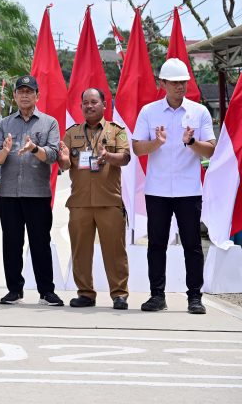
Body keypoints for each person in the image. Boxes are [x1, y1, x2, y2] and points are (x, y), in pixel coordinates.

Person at [132, 58, 216, 314]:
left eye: (184, 82)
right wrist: (156, 143)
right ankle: (157, 295)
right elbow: (136, 147)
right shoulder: (149, 112)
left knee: (192, 245)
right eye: (175, 82)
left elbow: (210, 150)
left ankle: (194, 297)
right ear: (163, 83)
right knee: (157, 244)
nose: (181, 86)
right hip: (157, 190)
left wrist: (191, 142)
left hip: (188, 190)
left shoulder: (199, 111)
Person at [0, 75, 64, 307]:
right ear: (14, 96)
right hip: (9, 194)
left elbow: (52, 155)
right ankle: (14, 290)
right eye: (20, 91)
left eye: (29, 91)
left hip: (38, 193)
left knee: (40, 242)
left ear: (37, 95)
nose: (24, 95)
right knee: (11, 242)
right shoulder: (4, 124)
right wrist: (4, 151)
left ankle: (46, 291)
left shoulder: (49, 123)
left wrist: (34, 149)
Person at [58, 88, 130, 310]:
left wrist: (107, 156)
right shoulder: (71, 133)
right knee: (81, 250)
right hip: (80, 202)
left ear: (104, 105)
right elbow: (64, 164)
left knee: (115, 251)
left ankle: (119, 294)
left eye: (94, 102)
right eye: (85, 103)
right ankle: (85, 293)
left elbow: (126, 157)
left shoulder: (117, 131)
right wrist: (62, 159)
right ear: (81, 106)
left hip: (109, 201)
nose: (89, 106)